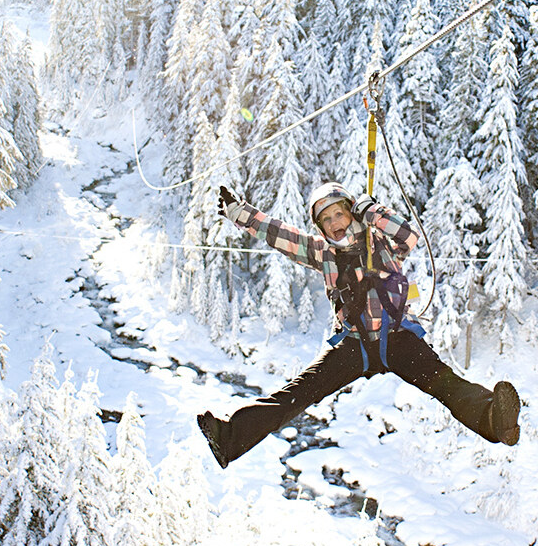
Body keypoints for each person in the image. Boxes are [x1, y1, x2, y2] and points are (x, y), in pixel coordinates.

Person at [196, 181, 520, 468]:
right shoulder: (322, 253)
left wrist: (372, 212)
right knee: (299, 392)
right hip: (354, 345)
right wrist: (240, 213)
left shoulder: (381, 242)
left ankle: (494, 419)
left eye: (339, 214)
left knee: (444, 382)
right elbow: (280, 235)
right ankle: (229, 438)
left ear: (351, 213)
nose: (334, 223)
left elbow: (408, 235)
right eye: (326, 219)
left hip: (397, 338)